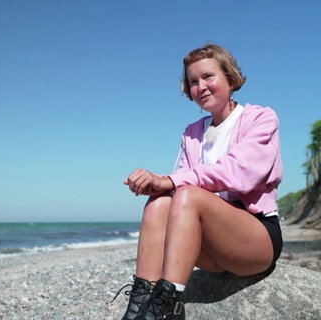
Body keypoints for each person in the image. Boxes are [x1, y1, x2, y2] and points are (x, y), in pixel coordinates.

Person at [117, 43, 284, 320]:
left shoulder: (260, 118)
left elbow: (238, 172)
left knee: (187, 194)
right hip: (210, 246)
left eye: (208, 77)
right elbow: (179, 184)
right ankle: (141, 306)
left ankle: (167, 309)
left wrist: (168, 180)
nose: (201, 86)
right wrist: (160, 186)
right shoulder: (192, 133)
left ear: (229, 78)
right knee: (159, 202)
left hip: (254, 238)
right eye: (193, 82)